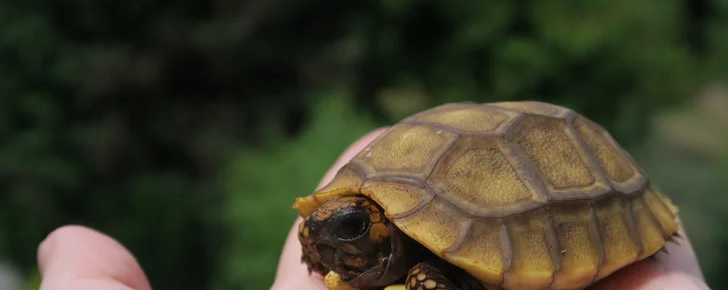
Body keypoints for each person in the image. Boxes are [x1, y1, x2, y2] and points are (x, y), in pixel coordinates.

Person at [38, 129, 709, 290]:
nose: (328, 241)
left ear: (385, 233)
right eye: (320, 232)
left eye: (353, 228)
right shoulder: (335, 235)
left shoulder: (419, 266)